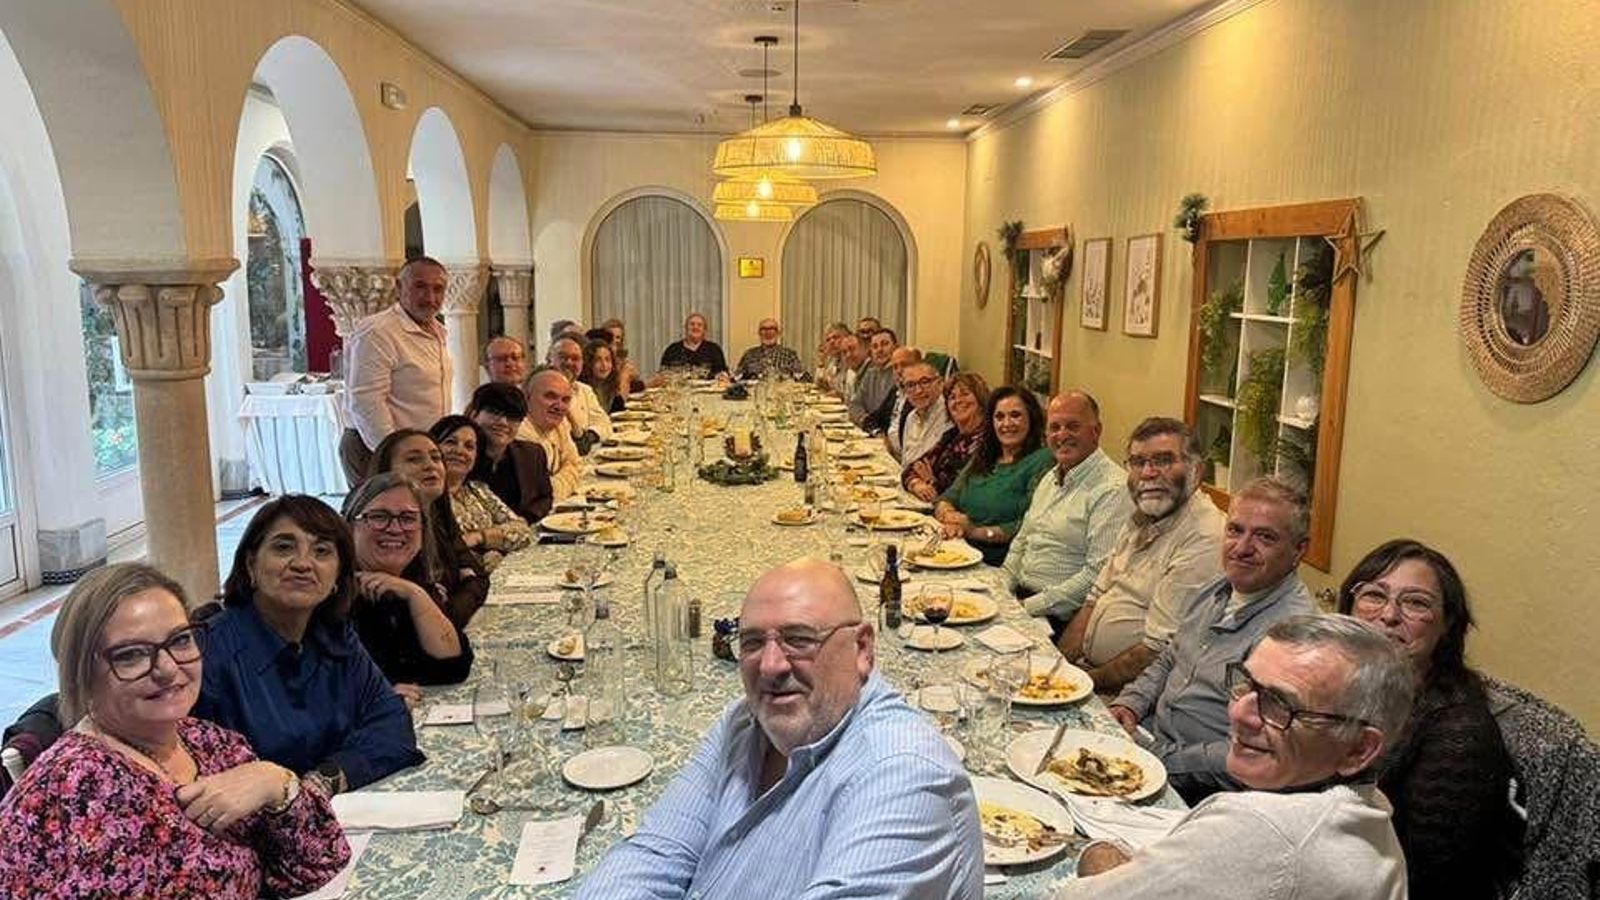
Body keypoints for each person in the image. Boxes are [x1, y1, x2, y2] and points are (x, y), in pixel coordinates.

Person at [577, 558, 983, 898]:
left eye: (800, 639)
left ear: (862, 649)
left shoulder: (902, 773)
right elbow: (655, 854)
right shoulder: (745, 721)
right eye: (752, 642)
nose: (770, 666)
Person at [0, 563, 350, 898]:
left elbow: (317, 865)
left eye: (181, 640)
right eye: (131, 654)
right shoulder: (69, 789)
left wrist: (277, 782)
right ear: (82, 672)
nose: (167, 669)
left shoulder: (209, 742)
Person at [1057, 614, 1413, 900]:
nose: (1239, 713)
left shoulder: (1262, 828)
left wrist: (1099, 853)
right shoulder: (1375, 813)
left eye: (1279, 704)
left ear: (1358, 749)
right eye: (1245, 684)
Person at [193, 495, 425, 795]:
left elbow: (393, 727)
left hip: (334, 815)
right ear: (251, 563)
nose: (303, 563)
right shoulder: (208, 653)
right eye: (284, 547)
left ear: (338, 576)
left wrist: (325, 780)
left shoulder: (336, 637)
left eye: (322, 551)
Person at [1107, 477, 1315, 801]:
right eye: (1235, 530)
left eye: (1265, 537)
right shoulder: (1216, 589)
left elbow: (1253, 750)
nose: (1242, 548)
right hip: (1149, 743)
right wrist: (1131, 703)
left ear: (1299, 550)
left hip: (1201, 791)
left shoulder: (1293, 636)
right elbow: (1169, 658)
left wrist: (1160, 759)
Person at [1338, 539, 1524, 898]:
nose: (1389, 615)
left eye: (1415, 603)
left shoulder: (1459, 735)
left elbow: (1427, 882)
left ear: (1447, 624)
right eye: (1374, 595)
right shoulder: (1352, 687)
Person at [1058, 417, 1226, 693]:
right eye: (1138, 462)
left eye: (1162, 460)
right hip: (1089, 674)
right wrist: (1056, 667)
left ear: (1196, 472)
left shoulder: (1204, 535)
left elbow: (1156, 651)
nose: (1148, 473)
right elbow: (1093, 601)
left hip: (1134, 695)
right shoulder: (1142, 515)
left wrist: (1080, 685)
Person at [1002, 391, 1131, 637]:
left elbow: (1096, 576)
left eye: (1073, 426)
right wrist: (1000, 591)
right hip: (1019, 600)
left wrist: (1024, 608)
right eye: (1055, 428)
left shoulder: (1112, 489)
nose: (1062, 435)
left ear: (1096, 431)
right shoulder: (1051, 477)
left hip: (1057, 620)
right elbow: (1021, 542)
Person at [341, 474, 474, 689]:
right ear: (350, 526)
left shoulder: (412, 585)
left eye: (408, 518)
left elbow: (453, 668)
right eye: (378, 516)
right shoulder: (334, 597)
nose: (395, 529)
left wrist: (416, 595)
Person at [340, 256, 452, 483]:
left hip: (418, 450)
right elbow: (366, 402)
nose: (430, 297)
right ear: (399, 288)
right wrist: (392, 456)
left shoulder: (438, 331)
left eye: (438, 289)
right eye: (420, 287)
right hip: (377, 448)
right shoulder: (378, 331)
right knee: (384, 515)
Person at [366, 429, 489, 627]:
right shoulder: (386, 531)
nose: (430, 466)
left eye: (436, 458)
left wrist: (467, 586)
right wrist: (467, 584)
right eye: (414, 460)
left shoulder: (438, 516)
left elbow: (481, 579)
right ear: (386, 471)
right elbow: (439, 619)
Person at [935, 385, 1053, 566]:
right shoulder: (985, 455)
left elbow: (1028, 527)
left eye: (1015, 415)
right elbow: (948, 496)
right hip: (958, 550)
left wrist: (975, 532)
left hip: (997, 561)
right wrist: (949, 515)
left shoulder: (1042, 460)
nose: (1006, 424)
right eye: (999, 417)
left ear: (1032, 419)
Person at [431, 415, 533, 573]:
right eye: (450, 442)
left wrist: (480, 537)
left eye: (469, 446)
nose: (460, 451)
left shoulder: (477, 490)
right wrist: (497, 542)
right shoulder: (429, 498)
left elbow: (523, 532)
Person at [467, 381, 556, 521]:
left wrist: (524, 521)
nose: (503, 422)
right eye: (495, 413)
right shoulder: (460, 459)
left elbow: (545, 498)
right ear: (474, 415)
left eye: (512, 417)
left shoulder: (532, 454)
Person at [904, 371, 989, 502]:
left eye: (965, 394)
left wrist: (931, 482)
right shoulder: (952, 435)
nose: (958, 401)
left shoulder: (987, 440)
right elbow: (912, 468)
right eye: (952, 397)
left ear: (980, 400)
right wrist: (917, 484)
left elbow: (964, 493)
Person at [516, 368, 583, 501]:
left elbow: (577, 465)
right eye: (550, 396)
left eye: (565, 400)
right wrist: (567, 476)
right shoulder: (517, 433)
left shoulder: (560, 423)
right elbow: (542, 496)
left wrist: (561, 478)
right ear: (526, 398)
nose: (559, 406)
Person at [886, 361, 952, 473]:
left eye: (925, 382)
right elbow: (906, 462)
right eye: (911, 385)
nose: (918, 390)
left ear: (940, 383)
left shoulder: (949, 414)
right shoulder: (910, 418)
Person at [549, 335, 613, 448]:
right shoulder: (541, 391)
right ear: (550, 360)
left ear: (582, 363)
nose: (569, 363)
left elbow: (605, 424)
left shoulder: (585, 390)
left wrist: (590, 436)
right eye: (563, 357)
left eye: (575, 358)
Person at [864, 346, 923, 436]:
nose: (899, 371)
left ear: (919, 365)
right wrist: (878, 433)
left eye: (904, 365)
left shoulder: (920, 396)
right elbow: (871, 419)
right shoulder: (895, 390)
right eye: (895, 367)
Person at [847, 328, 899, 429]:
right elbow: (854, 405)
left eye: (885, 344)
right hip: (872, 431)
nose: (879, 350)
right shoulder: (871, 374)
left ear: (896, 347)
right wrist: (866, 421)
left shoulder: (900, 375)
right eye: (875, 347)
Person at [658, 311, 729, 377]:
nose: (695, 327)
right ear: (686, 328)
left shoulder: (714, 350)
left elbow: (722, 374)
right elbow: (663, 374)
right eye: (692, 324)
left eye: (699, 325)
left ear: (704, 330)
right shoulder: (672, 349)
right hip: (679, 389)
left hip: (707, 390)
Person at [734, 317, 806, 380]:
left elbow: (801, 376)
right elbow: (737, 378)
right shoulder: (749, 355)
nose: (768, 332)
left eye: (772, 329)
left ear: (778, 333)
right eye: (764, 329)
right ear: (759, 333)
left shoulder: (789, 354)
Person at [598, 316, 645, 393]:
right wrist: (625, 374)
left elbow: (634, 383)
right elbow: (614, 390)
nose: (614, 340)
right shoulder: (602, 360)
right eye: (611, 336)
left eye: (618, 337)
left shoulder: (620, 357)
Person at [580, 338, 627, 414]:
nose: (604, 365)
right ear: (589, 363)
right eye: (598, 360)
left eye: (607, 360)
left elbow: (620, 412)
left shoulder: (611, 385)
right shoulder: (583, 389)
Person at [813, 321, 852, 390]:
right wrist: (821, 361)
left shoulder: (851, 359)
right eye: (828, 340)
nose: (832, 342)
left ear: (848, 338)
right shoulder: (834, 360)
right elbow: (818, 383)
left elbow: (845, 390)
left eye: (836, 337)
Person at [834, 333, 869, 403]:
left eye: (852, 349)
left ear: (865, 349)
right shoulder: (855, 372)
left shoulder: (871, 372)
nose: (848, 355)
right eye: (844, 352)